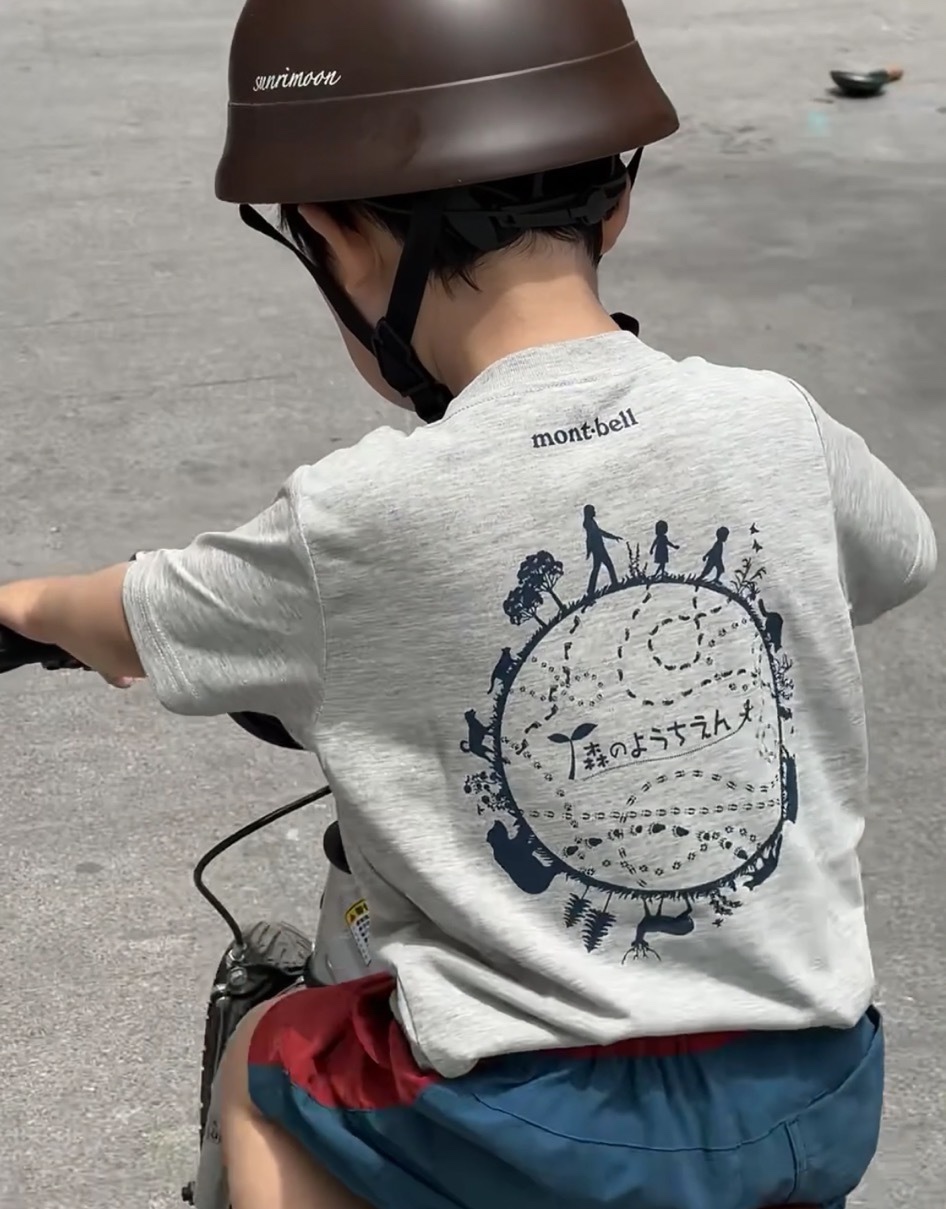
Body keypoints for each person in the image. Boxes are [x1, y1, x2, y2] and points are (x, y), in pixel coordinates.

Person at [0, 1, 937, 1207]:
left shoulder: (356, 519)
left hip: (532, 1123)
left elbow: (115, 617)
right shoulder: (774, 421)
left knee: (271, 1053)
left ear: (336, 235)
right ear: (616, 204)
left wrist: (27, 604)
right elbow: (896, 556)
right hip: (812, 1090)